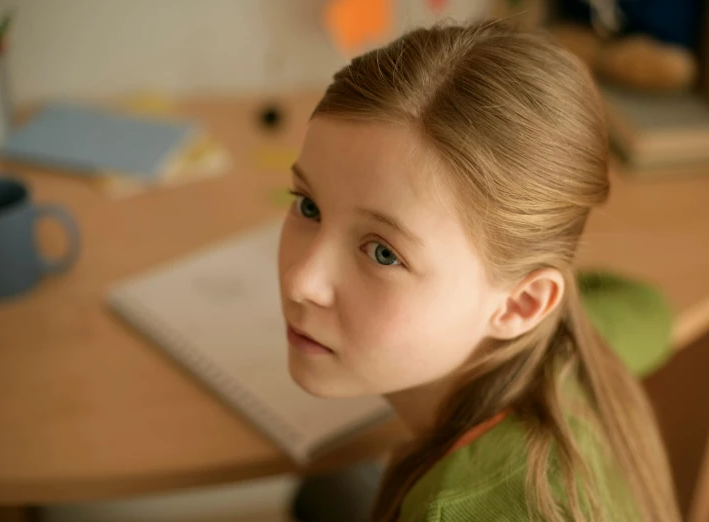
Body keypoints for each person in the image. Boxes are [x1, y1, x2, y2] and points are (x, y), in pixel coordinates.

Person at [277, 20, 681, 522]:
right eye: (309, 206)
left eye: (383, 253)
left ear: (521, 304)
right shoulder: (575, 338)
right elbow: (651, 309)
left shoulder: (456, 509)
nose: (301, 281)